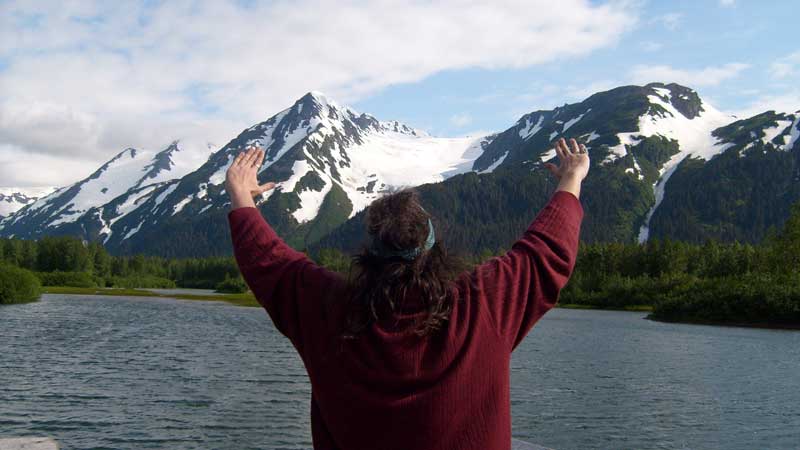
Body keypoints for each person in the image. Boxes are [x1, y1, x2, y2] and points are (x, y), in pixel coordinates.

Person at [225, 137, 588, 450]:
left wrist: (242, 196)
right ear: (434, 249)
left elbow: (269, 262)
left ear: (369, 253)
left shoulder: (326, 307)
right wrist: (570, 181)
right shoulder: (483, 302)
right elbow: (545, 251)